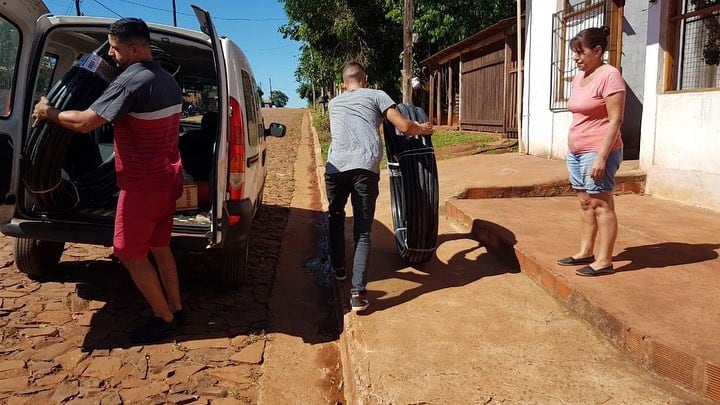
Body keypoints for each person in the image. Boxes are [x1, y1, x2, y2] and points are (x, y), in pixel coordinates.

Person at [32, 18, 185, 342]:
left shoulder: (131, 81)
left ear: (134, 48)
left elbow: (87, 122)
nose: (111, 56)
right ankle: (177, 307)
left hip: (141, 186)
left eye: (115, 50)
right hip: (168, 178)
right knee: (160, 247)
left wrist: (49, 112)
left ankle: (165, 318)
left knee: (129, 254)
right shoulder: (166, 81)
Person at [326, 62, 433, 311]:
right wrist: (424, 128)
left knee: (335, 217)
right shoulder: (376, 95)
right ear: (365, 78)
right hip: (364, 168)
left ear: (344, 84)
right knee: (362, 232)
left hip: (335, 169)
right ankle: (357, 295)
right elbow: (404, 126)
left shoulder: (333, 103)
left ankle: (339, 268)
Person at [556, 26, 626, 277]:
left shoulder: (610, 75)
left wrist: (602, 157)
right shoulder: (580, 77)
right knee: (586, 203)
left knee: (600, 204)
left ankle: (604, 260)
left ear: (597, 50)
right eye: (574, 53)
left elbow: (616, 120)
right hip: (576, 151)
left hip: (598, 151)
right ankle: (585, 251)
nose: (576, 58)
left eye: (580, 52)